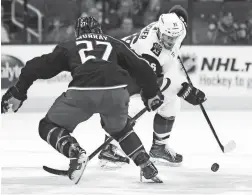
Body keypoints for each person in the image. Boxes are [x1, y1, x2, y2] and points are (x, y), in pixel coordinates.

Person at [1, 16, 164, 184]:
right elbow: (142, 67)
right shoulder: (114, 43)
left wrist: (18, 93)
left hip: (83, 93)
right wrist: (152, 92)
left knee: (47, 126)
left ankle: (74, 151)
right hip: (117, 93)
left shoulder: (69, 46)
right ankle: (145, 163)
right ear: (99, 31)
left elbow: (33, 67)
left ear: (77, 32)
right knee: (120, 129)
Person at [98, 5, 206, 168]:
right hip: (120, 70)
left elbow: (179, 13)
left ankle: (159, 147)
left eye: (174, 38)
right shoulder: (148, 49)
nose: (171, 41)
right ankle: (109, 147)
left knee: (171, 101)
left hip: (135, 66)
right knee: (137, 106)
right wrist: (184, 88)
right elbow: (153, 82)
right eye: (168, 37)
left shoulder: (178, 29)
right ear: (160, 31)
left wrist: (182, 88)